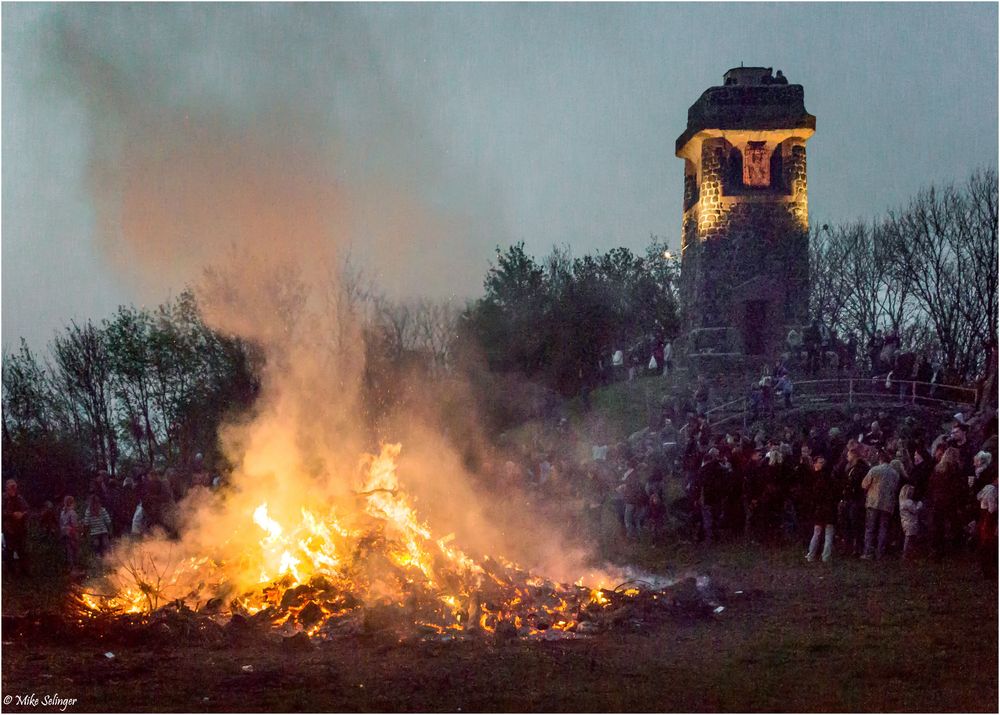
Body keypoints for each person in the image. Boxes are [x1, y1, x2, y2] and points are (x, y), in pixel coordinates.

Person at [860, 451, 901, 559]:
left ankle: (868, 552)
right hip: (887, 504)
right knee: (883, 529)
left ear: (880, 459)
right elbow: (896, 488)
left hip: (873, 502)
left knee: (870, 528)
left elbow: (864, 484)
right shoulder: (895, 474)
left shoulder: (874, 470)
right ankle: (880, 552)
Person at [806, 455, 838, 563]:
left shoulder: (817, 480)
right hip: (828, 508)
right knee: (828, 533)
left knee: (818, 532)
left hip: (820, 508)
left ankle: (811, 555)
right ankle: (825, 557)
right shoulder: (830, 479)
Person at [2, 479, 30, 576]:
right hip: (8, 529)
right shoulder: (3, 499)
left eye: (14, 487)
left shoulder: (19, 498)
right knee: (9, 550)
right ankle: (10, 571)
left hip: (20, 528)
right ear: (7, 488)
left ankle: (24, 570)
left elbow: (27, 509)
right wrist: (11, 514)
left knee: (22, 549)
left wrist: (22, 514)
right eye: (11, 487)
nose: (13, 489)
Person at [898, 484, 923, 560]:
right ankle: (906, 554)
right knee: (909, 538)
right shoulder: (908, 502)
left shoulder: (902, 502)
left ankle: (907, 554)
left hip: (905, 522)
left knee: (908, 537)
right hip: (911, 522)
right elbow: (915, 510)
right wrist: (920, 505)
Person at [59, 496, 81, 572]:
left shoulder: (62, 512)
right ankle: (75, 568)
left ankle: (69, 567)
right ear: (72, 503)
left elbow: (61, 524)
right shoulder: (72, 512)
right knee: (75, 551)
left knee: (68, 552)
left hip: (64, 534)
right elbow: (74, 525)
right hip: (72, 534)